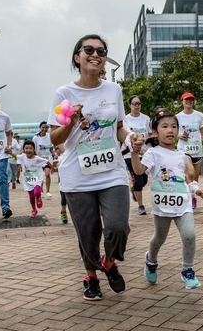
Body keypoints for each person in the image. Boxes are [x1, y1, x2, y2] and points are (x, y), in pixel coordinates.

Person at [48, 34, 133, 301]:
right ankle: (91, 277)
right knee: (88, 231)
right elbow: (55, 138)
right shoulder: (63, 93)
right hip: (77, 173)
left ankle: (108, 261)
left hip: (112, 170)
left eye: (101, 51)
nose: (95, 54)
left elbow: (119, 128)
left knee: (118, 226)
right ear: (77, 57)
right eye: (89, 50)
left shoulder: (114, 90)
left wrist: (131, 138)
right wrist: (71, 121)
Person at [130, 109, 203, 289]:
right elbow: (139, 170)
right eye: (164, 126)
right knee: (159, 238)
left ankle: (187, 270)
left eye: (174, 126)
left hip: (182, 203)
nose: (170, 130)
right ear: (155, 132)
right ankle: (151, 260)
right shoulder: (153, 153)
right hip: (162, 205)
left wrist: (196, 189)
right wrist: (134, 152)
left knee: (189, 234)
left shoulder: (182, 154)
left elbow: (185, 178)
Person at [176, 92, 203, 209]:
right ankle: (187, 196)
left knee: (196, 177)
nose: (189, 102)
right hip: (184, 149)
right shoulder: (177, 117)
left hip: (197, 150)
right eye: (186, 100)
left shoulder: (199, 115)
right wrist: (179, 136)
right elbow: (173, 132)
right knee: (191, 173)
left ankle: (192, 196)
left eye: (191, 100)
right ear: (182, 101)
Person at [123, 95, 151, 215]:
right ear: (129, 105)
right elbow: (123, 136)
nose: (137, 106)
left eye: (139, 103)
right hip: (130, 155)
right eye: (134, 103)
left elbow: (150, 134)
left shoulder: (146, 119)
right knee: (138, 179)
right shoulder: (125, 119)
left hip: (144, 154)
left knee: (144, 180)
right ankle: (141, 205)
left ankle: (134, 188)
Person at [13, 140, 50, 218]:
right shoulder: (22, 157)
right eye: (26, 148)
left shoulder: (37, 158)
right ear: (24, 149)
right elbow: (15, 156)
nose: (28, 150)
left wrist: (53, 168)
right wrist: (9, 152)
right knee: (31, 197)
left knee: (36, 193)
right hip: (28, 180)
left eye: (30, 148)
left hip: (37, 179)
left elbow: (47, 162)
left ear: (34, 150)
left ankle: (38, 197)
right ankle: (34, 210)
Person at [32, 121, 54, 199]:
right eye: (43, 127)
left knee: (47, 174)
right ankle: (41, 190)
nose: (45, 129)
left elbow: (51, 149)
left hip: (48, 159)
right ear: (40, 128)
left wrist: (55, 155)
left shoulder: (50, 137)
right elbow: (33, 149)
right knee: (40, 176)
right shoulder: (35, 138)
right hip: (39, 160)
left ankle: (48, 191)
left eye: (46, 127)